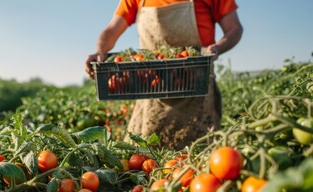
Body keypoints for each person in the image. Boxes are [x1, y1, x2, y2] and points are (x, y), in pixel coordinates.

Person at [85, 0, 243, 150]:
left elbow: (234, 28)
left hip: (197, 93)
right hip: (152, 94)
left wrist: (217, 48)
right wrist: (100, 50)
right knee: (145, 162)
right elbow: (112, 30)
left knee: (197, 162)